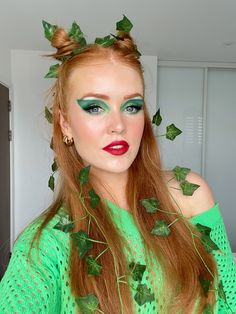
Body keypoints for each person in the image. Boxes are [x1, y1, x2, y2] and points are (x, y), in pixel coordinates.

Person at [0, 16, 235, 314]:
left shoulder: (190, 194)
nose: (118, 125)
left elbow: (229, 299)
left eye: (131, 106)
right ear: (65, 124)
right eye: (95, 107)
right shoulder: (45, 247)